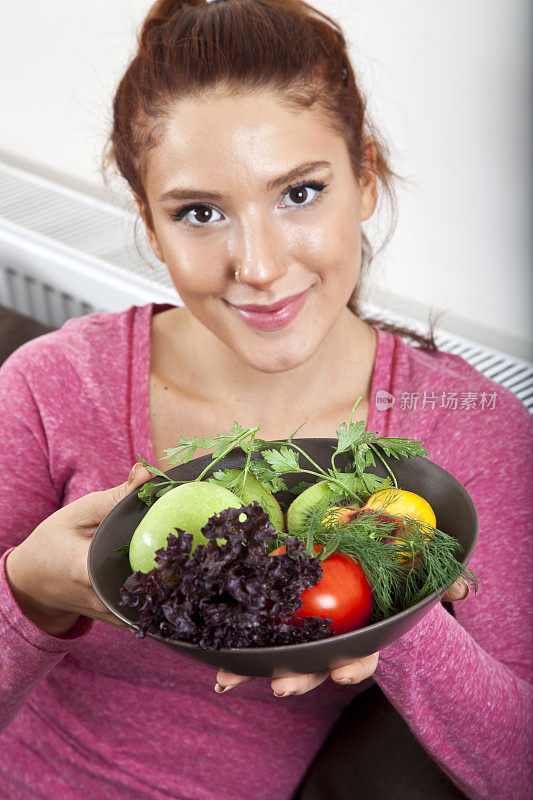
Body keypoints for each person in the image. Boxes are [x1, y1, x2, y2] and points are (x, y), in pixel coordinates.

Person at [0, 0, 531, 798]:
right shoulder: (52, 386)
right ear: (150, 224)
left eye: (299, 193)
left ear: (365, 178)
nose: (256, 265)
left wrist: (400, 614)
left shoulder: (469, 431)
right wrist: (28, 595)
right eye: (199, 213)